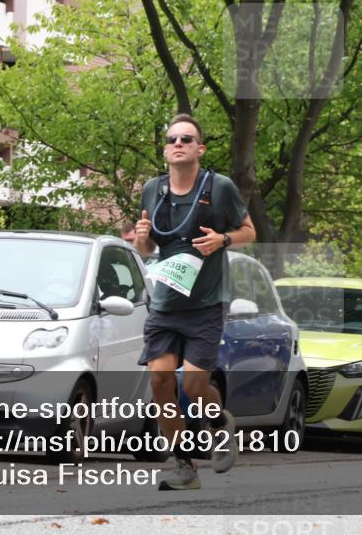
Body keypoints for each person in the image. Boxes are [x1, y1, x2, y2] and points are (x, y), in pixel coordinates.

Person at [133, 114, 256, 490]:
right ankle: (184, 466)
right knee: (160, 380)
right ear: (166, 149)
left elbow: (249, 231)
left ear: (199, 148)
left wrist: (222, 240)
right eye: (172, 139)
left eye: (187, 139)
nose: (178, 144)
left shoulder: (219, 188)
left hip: (205, 303)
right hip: (166, 303)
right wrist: (140, 239)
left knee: (193, 386)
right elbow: (150, 247)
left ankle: (218, 422)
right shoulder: (153, 190)